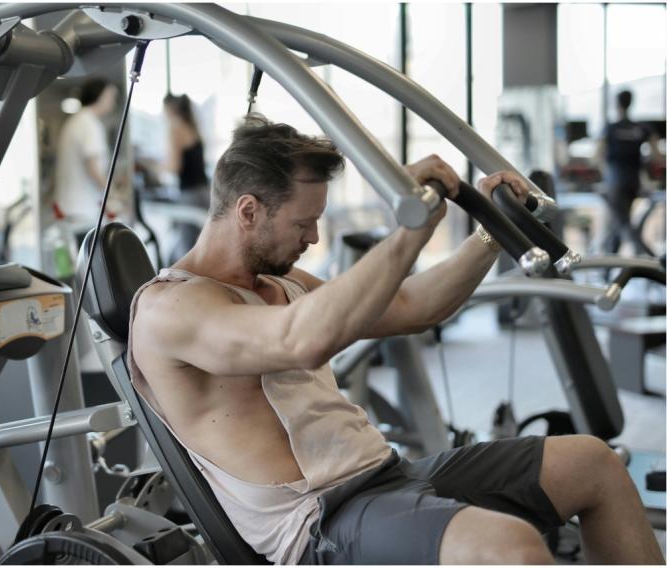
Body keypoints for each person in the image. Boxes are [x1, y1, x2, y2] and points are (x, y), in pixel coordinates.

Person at [128, 116, 663, 565]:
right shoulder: (170, 308)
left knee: (594, 464)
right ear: (248, 211)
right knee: (508, 548)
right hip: (320, 522)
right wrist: (412, 228)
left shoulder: (280, 284)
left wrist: (491, 231)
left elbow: (414, 306)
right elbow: (299, 341)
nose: (314, 239)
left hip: (387, 476)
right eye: (303, 224)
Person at [595, 90, 663, 255]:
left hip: (616, 181)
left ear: (617, 105)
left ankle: (649, 258)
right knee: (618, 224)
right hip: (634, 182)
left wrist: (605, 175)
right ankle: (608, 269)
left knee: (623, 224)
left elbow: (597, 156)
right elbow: (657, 157)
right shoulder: (642, 128)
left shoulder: (611, 128)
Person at [53, 78, 119, 229]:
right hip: (82, 208)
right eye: (110, 96)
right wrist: (114, 194)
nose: (113, 102)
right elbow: (93, 169)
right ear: (100, 96)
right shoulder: (90, 124)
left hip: (71, 206)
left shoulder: (76, 120)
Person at [162, 93, 210, 265]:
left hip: (190, 195)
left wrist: (154, 166)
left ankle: (187, 289)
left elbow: (174, 167)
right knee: (200, 246)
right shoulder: (192, 127)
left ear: (170, 109)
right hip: (204, 192)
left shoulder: (175, 128)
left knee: (188, 250)